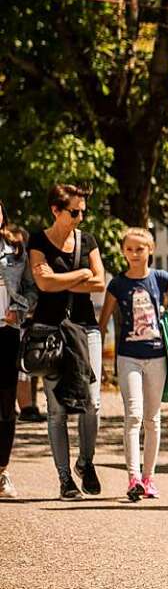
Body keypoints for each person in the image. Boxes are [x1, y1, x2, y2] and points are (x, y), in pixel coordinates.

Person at [28, 184, 106, 500]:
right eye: (74, 212)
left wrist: (65, 280)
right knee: (57, 409)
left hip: (86, 329)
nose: (79, 217)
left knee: (93, 402)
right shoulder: (38, 240)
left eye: (83, 212)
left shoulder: (88, 240)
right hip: (50, 331)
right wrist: (81, 274)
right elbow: (44, 282)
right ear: (56, 210)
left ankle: (85, 463)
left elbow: (100, 282)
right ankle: (64, 480)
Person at [98, 228, 168, 501]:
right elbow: (102, 323)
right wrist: (98, 362)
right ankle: (133, 478)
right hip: (129, 357)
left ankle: (149, 478)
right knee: (134, 415)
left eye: (140, 249)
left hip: (158, 357)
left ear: (151, 250)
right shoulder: (117, 285)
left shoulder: (160, 278)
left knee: (153, 419)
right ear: (123, 251)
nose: (135, 254)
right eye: (129, 249)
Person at [0, 201, 37, 498]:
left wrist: (18, 308)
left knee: (5, 406)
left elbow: (31, 289)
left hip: (6, 333)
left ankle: (1, 471)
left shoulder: (15, 249)